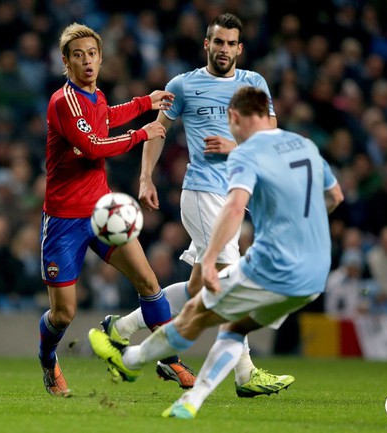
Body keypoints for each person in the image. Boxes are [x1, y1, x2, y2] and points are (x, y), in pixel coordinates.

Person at [89, 86, 344, 419]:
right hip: (315, 274)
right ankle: (203, 393)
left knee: (198, 312)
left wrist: (209, 258)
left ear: (234, 117)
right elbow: (335, 197)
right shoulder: (305, 146)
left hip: (274, 265)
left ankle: (129, 359)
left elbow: (235, 207)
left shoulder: (247, 154)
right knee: (231, 323)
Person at [100, 13, 289, 395]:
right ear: (207, 44)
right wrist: (145, 177)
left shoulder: (254, 83)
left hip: (235, 195)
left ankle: (120, 329)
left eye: (230, 43)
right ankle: (245, 373)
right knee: (232, 281)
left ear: (240, 48)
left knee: (197, 287)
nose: (223, 49)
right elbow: (158, 130)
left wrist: (236, 147)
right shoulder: (183, 85)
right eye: (218, 42)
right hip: (203, 193)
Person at [38, 23, 194, 398]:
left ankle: (168, 359)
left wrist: (145, 103)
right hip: (63, 220)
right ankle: (48, 359)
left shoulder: (96, 97)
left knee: (149, 283)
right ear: (66, 62)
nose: (87, 61)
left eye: (92, 53)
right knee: (64, 313)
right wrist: (142, 133)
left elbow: (106, 117)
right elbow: (94, 145)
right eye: (78, 55)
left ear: (101, 57)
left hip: (102, 212)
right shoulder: (63, 102)